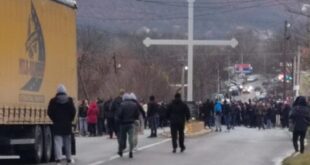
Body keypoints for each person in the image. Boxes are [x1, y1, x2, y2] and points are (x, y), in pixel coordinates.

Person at [48, 84, 76, 165]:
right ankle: (68, 159)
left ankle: (58, 160)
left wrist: (54, 119)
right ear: (65, 91)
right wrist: (70, 120)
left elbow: (49, 112)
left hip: (57, 124)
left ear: (57, 92)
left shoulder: (53, 101)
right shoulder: (69, 100)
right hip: (67, 124)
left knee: (58, 142)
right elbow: (73, 112)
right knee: (67, 142)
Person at [117, 93, 140, 158]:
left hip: (123, 124)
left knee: (122, 138)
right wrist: (134, 119)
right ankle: (131, 151)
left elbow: (119, 114)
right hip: (131, 123)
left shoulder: (122, 105)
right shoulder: (134, 105)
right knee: (131, 138)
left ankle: (120, 150)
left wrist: (119, 120)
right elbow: (137, 114)